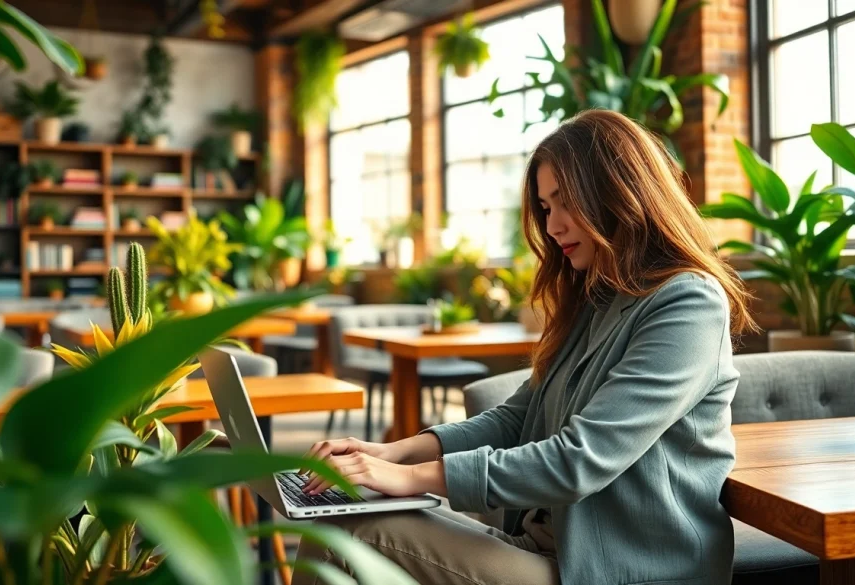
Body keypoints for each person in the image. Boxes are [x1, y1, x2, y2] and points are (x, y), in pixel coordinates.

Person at [292, 110, 756, 585]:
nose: (553, 226)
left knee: (351, 524)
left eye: (565, 203)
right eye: (546, 207)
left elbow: (580, 459)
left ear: (620, 193)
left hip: (620, 570)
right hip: (548, 547)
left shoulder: (687, 302)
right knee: (342, 507)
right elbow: (516, 419)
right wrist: (392, 454)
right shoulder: (595, 297)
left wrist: (409, 479)